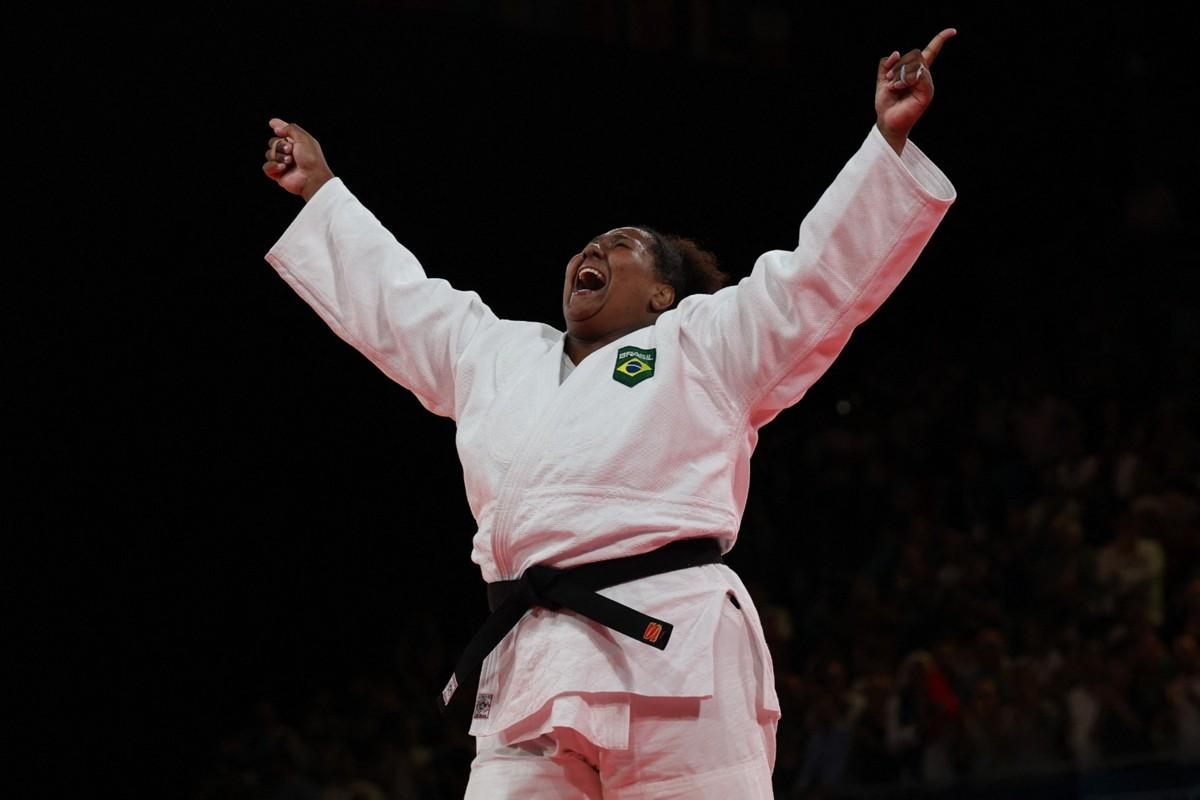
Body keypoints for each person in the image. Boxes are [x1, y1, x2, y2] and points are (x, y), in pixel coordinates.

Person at [260, 28, 957, 799]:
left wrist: (884, 143)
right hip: (535, 660)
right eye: (589, 243)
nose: (591, 248)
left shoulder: (703, 345)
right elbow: (398, 303)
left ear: (663, 292)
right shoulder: (498, 354)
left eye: (621, 244)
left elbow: (814, 282)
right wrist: (323, 193)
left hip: (677, 652)